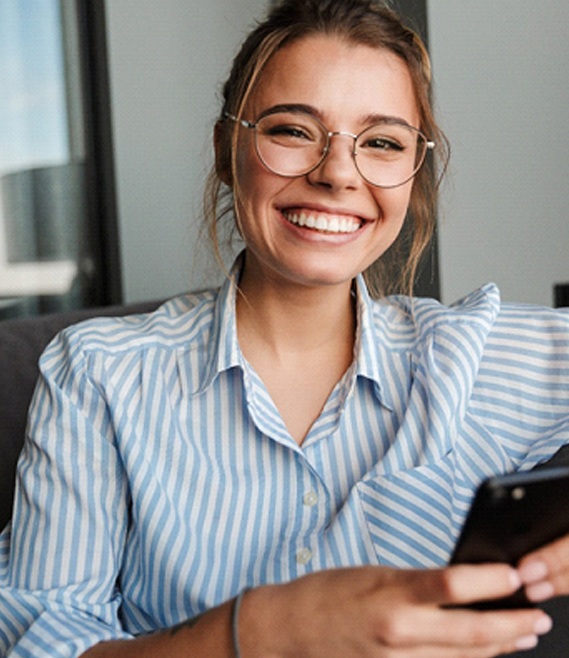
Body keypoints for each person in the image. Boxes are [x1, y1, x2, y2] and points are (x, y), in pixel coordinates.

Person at [1, 0, 568, 656]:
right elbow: (42, 648)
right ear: (226, 150)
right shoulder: (98, 373)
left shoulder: (473, 353)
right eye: (292, 130)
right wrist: (264, 629)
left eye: (381, 142)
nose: (335, 172)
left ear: (412, 176)